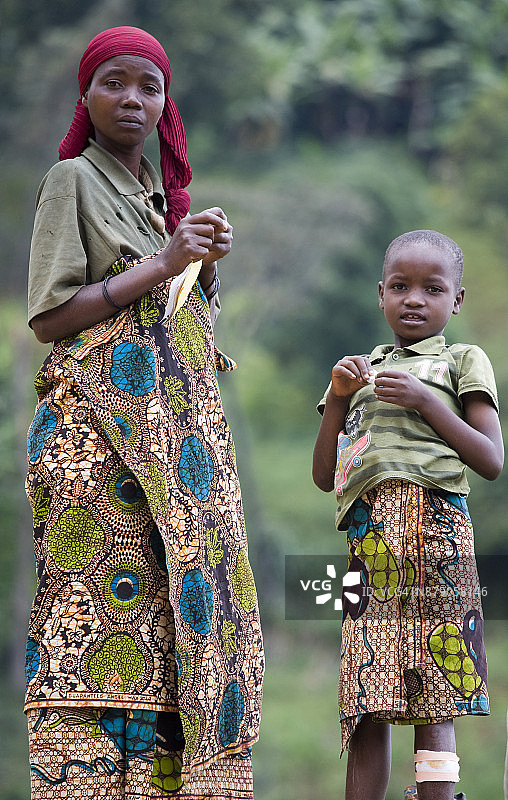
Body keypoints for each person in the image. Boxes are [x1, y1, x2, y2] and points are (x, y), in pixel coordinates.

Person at [24, 26, 264, 800]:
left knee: (165, 627)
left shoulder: (156, 198)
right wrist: (164, 263)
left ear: (166, 107)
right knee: (97, 611)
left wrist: (198, 265)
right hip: (97, 445)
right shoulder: (73, 181)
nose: (132, 99)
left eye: (149, 87)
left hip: (162, 448)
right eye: (114, 83)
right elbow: (53, 315)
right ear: (85, 98)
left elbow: (171, 326)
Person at [312, 230, 504, 800]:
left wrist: (423, 399)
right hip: (366, 549)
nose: (414, 299)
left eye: (431, 288)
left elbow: (491, 459)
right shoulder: (362, 370)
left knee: (434, 691)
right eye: (400, 287)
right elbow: (326, 476)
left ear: (457, 300)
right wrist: (339, 398)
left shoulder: (462, 359)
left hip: (437, 540)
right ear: (380, 295)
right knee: (366, 699)